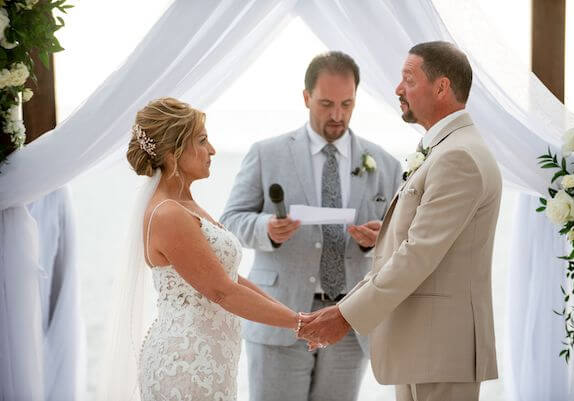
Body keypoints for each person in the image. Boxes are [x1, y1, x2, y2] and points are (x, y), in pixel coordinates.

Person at [298, 41, 503, 401]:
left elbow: (418, 254)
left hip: (440, 349)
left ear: (441, 87)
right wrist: (388, 233)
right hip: (422, 348)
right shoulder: (446, 149)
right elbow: (424, 241)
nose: (397, 89)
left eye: (408, 78)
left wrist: (346, 314)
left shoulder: (458, 157)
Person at [220, 51, 403, 401]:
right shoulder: (266, 153)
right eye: (326, 104)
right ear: (306, 97)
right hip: (280, 316)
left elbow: (403, 241)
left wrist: (381, 238)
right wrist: (266, 230)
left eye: (347, 104)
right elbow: (230, 220)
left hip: (350, 323)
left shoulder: (386, 164)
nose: (337, 115)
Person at [125, 97, 300, 401]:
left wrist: (295, 317)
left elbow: (229, 278)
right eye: (202, 140)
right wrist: (299, 324)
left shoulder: (186, 205)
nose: (213, 150)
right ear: (172, 152)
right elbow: (223, 292)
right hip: (187, 364)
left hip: (209, 358)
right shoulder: (168, 214)